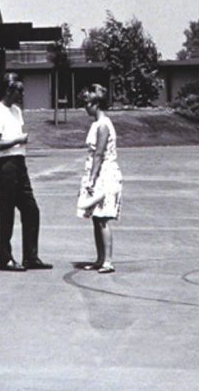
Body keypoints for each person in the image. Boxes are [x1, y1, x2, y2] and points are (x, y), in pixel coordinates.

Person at [0, 74, 52, 271]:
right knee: (6, 212)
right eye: (18, 90)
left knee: (31, 210)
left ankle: (30, 256)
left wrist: (19, 143)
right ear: (8, 90)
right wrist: (18, 140)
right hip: (5, 165)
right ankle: (5, 258)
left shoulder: (16, 111)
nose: (21, 94)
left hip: (19, 163)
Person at [75, 84, 122, 273]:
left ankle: (108, 261)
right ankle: (100, 258)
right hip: (97, 172)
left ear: (96, 104)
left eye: (87, 103)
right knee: (96, 217)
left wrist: (91, 179)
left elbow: (99, 154)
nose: (85, 107)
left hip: (105, 174)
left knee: (102, 218)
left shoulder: (103, 126)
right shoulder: (96, 124)